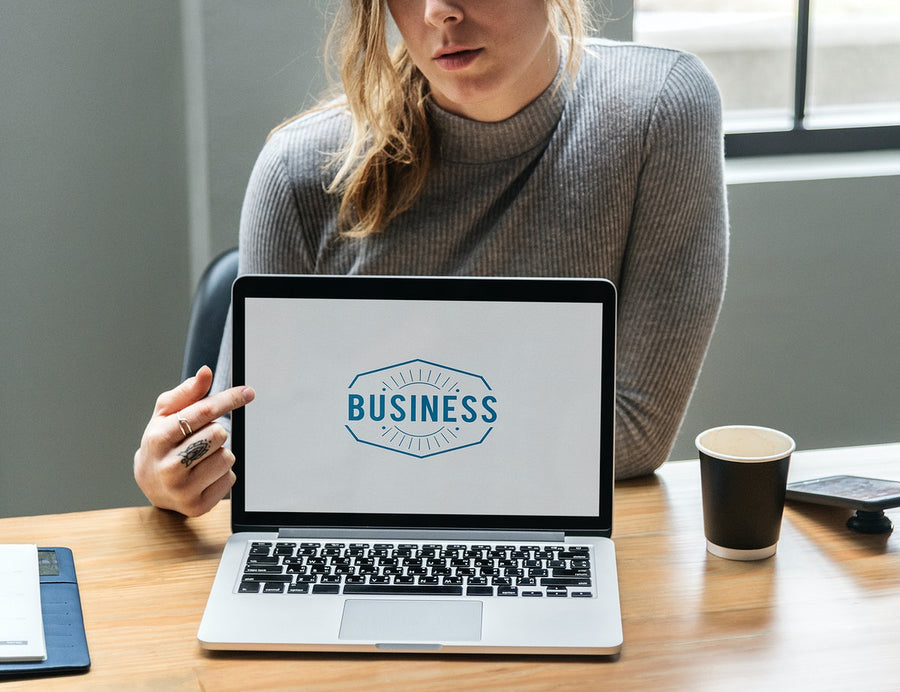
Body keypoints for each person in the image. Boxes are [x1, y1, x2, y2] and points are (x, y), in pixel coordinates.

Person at [135, 0, 728, 517]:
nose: (437, 11)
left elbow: (630, 432)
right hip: (355, 542)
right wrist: (174, 469)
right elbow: (259, 447)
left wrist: (363, 413)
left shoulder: (658, 113)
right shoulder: (300, 169)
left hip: (545, 538)